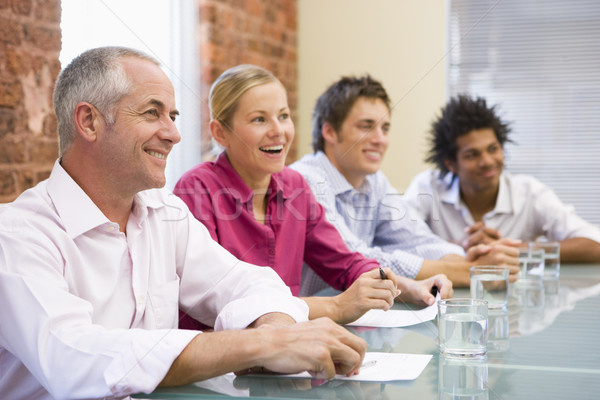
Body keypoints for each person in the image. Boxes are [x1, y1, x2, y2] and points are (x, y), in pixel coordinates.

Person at [0, 47, 369, 400]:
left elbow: (246, 282)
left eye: (172, 117)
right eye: (151, 113)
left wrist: (275, 329)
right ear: (89, 121)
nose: (174, 134)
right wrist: (259, 344)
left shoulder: (164, 212)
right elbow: (72, 358)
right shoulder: (18, 235)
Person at [174, 65, 452, 329]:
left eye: (283, 116)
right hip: (217, 364)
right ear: (220, 132)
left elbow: (344, 261)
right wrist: (337, 306)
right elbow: (221, 302)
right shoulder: (196, 189)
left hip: (285, 348)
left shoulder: (294, 186)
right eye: (259, 119)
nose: (278, 131)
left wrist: (407, 287)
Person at [291, 76, 520, 291]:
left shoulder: (373, 181)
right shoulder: (305, 180)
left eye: (385, 128)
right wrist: (471, 272)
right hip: (305, 321)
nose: (380, 139)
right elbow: (356, 259)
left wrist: (468, 260)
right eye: (366, 126)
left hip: (352, 317)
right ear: (330, 131)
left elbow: (417, 239)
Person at [404, 94, 600, 262]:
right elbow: (393, 243)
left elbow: (594, 244)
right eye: (472, 155)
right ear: (451, 164)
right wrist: (462, 248)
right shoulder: (427, 187)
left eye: (493, 149)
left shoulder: (529, 193)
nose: (487, 161)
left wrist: (512, 249)